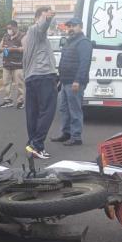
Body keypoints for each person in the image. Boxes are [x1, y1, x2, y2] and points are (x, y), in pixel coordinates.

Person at [51, 17, 92, 146]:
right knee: (64, 109)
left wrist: (77, 81)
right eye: (69, 26)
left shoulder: (83, 42)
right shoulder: (70, 42)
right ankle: (66, 133)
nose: (70, 29)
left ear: (80, 26)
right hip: (65, 81)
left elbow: (84, 64)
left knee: (74, 110)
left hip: (74, 82)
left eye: (73, 26)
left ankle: (76, 136)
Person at [23, 6, 57, 159]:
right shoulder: (35, 30)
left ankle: (32, 144)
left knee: (33, 112)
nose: (47, 18)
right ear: (38, 17)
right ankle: (37, 145)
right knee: (47, 111)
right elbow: (42, 26)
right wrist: (47, 18)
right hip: (43, 75)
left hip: (31, 77)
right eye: (44, 15)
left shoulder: (29, 36)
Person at [0, 20, 25, 109]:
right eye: (7, 28)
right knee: (6, 82)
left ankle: (20, 101)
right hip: (6, 63)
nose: (8, 30)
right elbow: (0, 47)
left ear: (15, 27)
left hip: (18, 64)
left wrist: (13, 49)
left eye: (10, 28)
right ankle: (8, 100)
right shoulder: (6, 36)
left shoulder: (22, 36)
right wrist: (5, 49)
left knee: (19, 84)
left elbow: (24, 48)